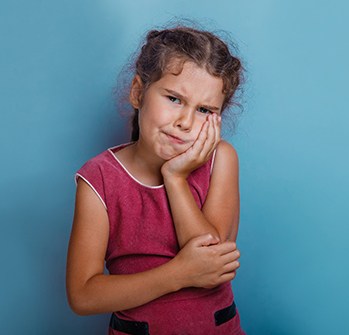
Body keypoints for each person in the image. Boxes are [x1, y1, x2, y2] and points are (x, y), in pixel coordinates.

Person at [66, 25, 246, 335]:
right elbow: (82, 295)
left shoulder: (222, 159)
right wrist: (177, 274)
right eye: (174, 99)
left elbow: (211, 262)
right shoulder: (99, 178)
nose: (185, 122)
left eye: (204, 110)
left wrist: (175, 178)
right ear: (138, 92)